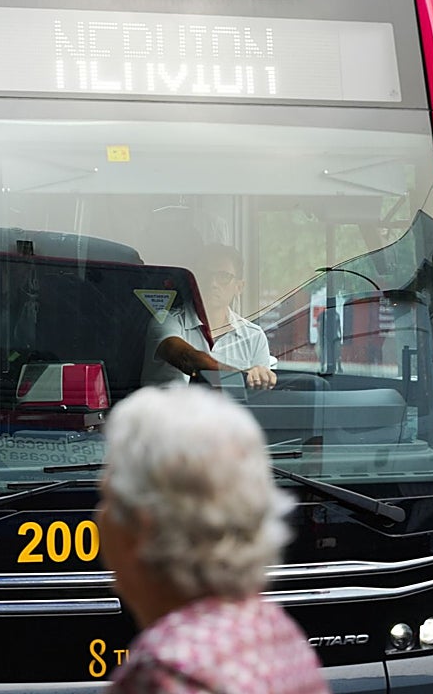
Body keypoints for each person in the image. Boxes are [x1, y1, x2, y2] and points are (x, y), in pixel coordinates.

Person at [100, 385, 328, 694]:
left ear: (141, 529)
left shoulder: (166, 673)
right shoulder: (275, 632)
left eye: (108, 499)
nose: (98, 517)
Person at [142, 244, 276, 390]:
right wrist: (239, 376)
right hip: (170, 412)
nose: (212, 283)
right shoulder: (166, 320)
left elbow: (259, 396)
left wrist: (261, 377)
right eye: (205, 275)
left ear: (239, 287)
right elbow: (186, 357)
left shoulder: (254, 336)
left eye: (223, 277)